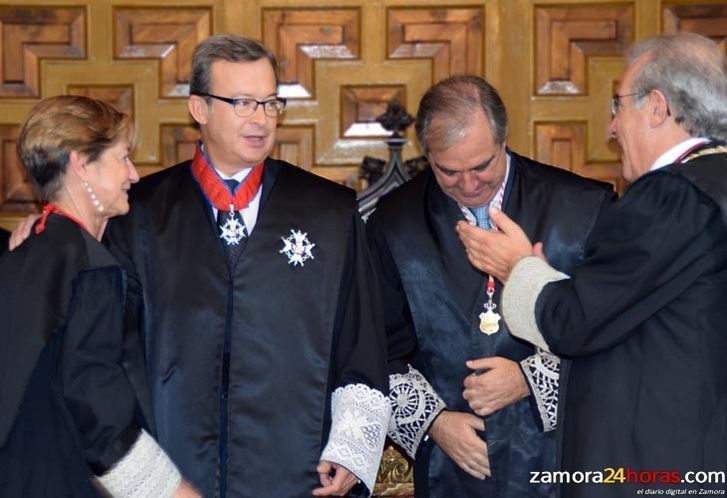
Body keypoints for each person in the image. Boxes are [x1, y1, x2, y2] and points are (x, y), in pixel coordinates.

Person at [100, 34, 389, 498]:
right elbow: (108, 354)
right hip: (172, 476)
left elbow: (362, 342)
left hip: (296, 473)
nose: (261, 119)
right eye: (242, 102)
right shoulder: (139, 215)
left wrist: (350, 449)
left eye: (271, 103)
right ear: (199, 108)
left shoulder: (329, 212)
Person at [457, 33, 727, 497]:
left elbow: (577, 323)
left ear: (657, 107)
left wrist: (517, 267)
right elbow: (629, 307)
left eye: (618, 105)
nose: (611, 127)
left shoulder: (670, 196)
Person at [366, 75, 615, 498]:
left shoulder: (585, 209)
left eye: (481, 165)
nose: (468, 185)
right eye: (448, 171)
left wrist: (530, 379)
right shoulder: (392, 222)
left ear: (504, 139)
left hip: (563, 458)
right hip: (451, 468)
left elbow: (618, 332)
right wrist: (434, 424)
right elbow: (373, 348)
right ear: (426, 154)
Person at [0, 95, 198, 497]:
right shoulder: (91, 268)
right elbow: (94, 400)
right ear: (80, 164)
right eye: (122, 157)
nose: (134, 174)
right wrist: (171, 491)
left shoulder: (27, 250)